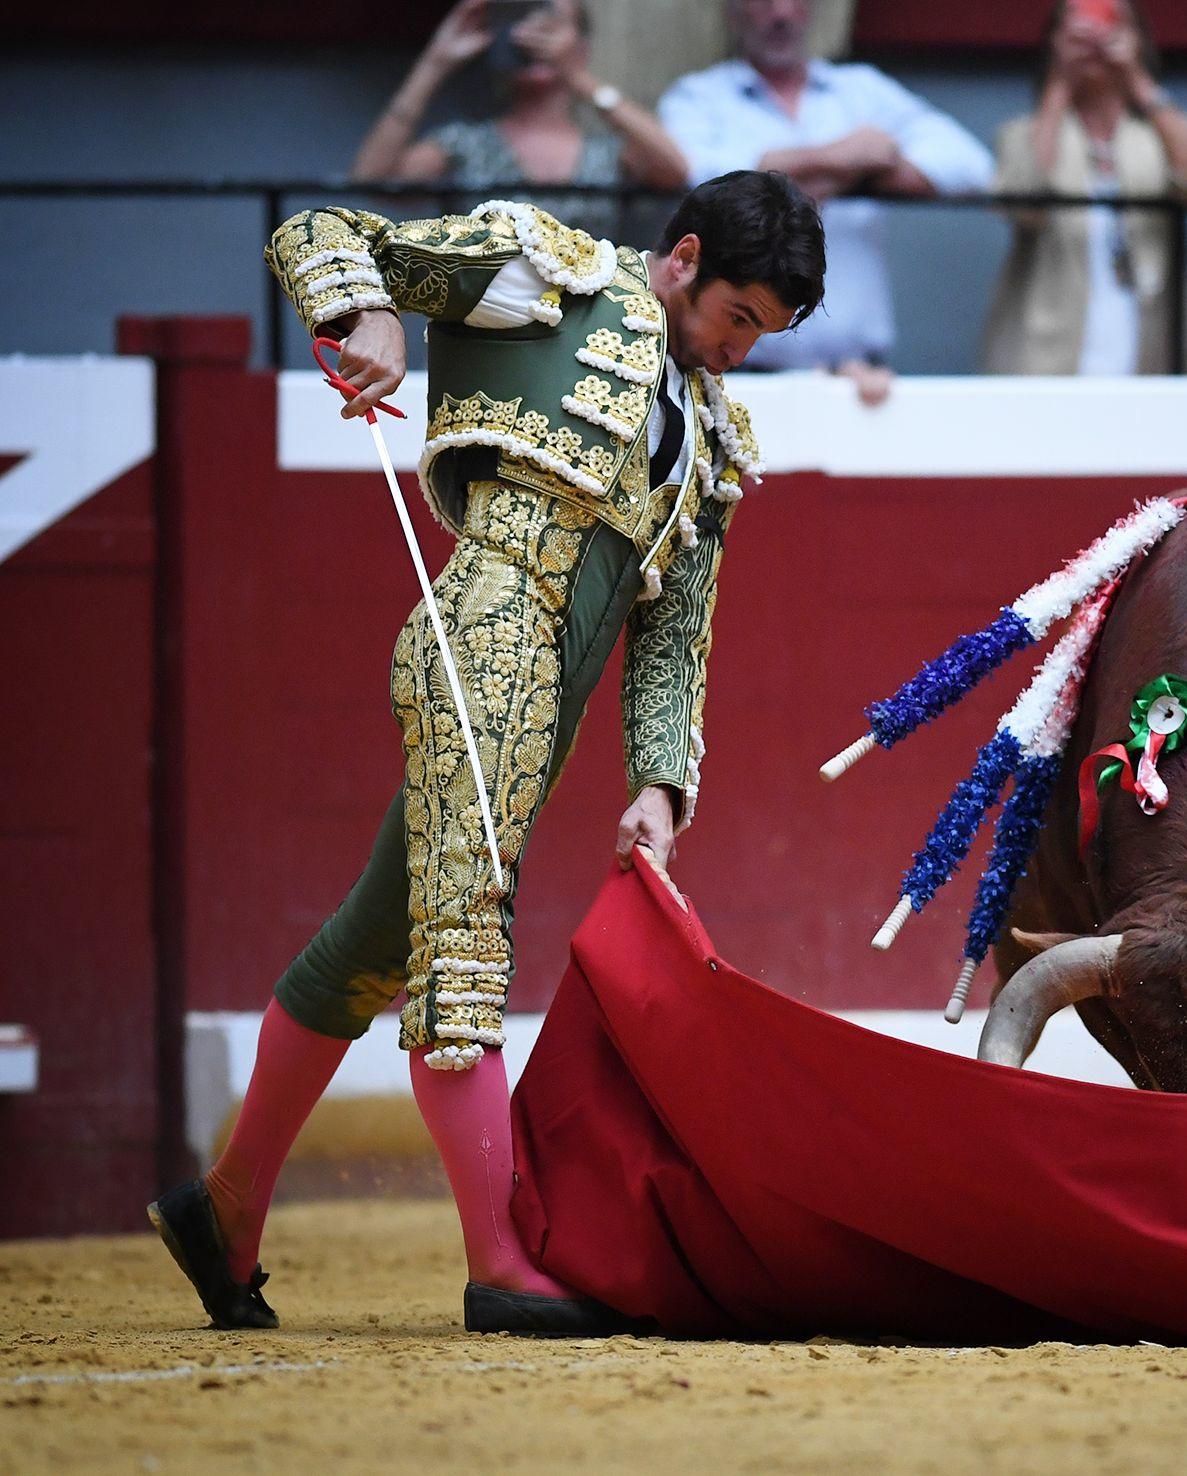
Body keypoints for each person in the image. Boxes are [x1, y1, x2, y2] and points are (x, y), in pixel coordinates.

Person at [147, 170, 825, 1337]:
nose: (741, 351)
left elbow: (672, 633)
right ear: (683, 258)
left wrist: (659, 787)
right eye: (740, 318)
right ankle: (500, 1258)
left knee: (371, 941)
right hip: (485, 635)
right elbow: (324, 229)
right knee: (464, 931)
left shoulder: (711, 437)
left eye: (762, 333)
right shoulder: (547, 275)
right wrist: (366, 316)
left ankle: (224, 1210)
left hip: (545, 701)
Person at [657, 0, 992, 405]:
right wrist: (847, 156)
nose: (781, 12)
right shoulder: (698, 95)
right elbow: (704, 185)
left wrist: (795, 169)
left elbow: (973, 167)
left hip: (858, 378)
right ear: (733, 10)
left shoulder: (862, 89)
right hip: (729, 370)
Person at [981, 0, 1187, 376]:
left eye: (1113, 26)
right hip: (1045, 358)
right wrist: (1058, 85)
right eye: (1078, 29)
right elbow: (1021, 200)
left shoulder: (1158, 132)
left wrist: (1139, 80)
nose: (1097, 39)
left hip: (1149, 353)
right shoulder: (1025, 132)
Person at [351, 0, 687, 235]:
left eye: (551, 22)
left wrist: (578, 76)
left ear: (581, 46)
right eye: (522, 18)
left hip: (586, 328)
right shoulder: (466, 143)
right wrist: (437, 59)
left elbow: (675, 169)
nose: (534, 33)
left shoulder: (608, 151)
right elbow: (373, 180)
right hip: (484, 328)